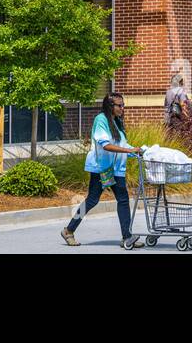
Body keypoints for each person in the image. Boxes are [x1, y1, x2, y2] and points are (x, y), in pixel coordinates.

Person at [61, 93, 145, 250]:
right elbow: (105, 145)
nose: (122, 108)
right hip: (101, 168)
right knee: (92, 200)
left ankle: (127, 237)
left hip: (115, 170)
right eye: (119, 105)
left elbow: (122, 144)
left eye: (123, 105)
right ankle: (68, 230)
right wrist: (129, 150)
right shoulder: (101, 120)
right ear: (110, 106)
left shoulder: (117, 122)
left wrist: (136, 151)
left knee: (123, 200)